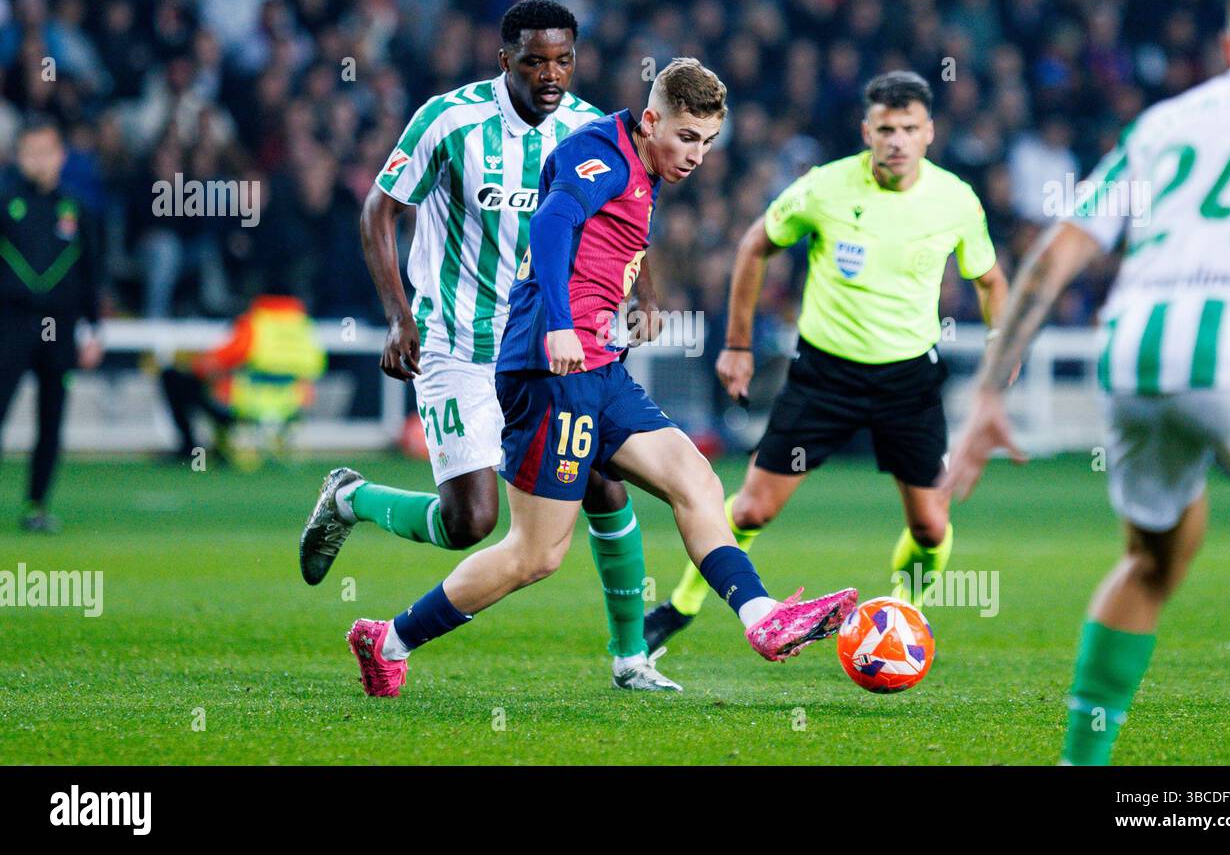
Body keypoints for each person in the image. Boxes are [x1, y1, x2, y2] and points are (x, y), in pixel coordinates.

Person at [342, 58, 858, 697]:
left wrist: (638, 299)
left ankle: (762, 618)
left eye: (708, 141)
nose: (697, 155)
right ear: (651, 121)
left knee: (694, 478)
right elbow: (553, 223)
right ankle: (386, 639)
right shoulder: (603, 157)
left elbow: (615, 242)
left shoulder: (640, 161)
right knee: (536, 555)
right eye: (687, 137)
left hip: (598, 364)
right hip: (551, 367)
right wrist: (559, 322)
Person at [944, 0, 1230, 765]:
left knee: (1152, 558)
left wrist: (988, 394)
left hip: (1135, 349)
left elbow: (1053, 256)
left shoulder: (1166, 120)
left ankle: (1082, 762)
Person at [298, 0, 676, 691]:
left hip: (546, 345)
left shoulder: (592, 129)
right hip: (457, 342)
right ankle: (351, 499)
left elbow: (624, 217)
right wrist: (397, 315)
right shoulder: (451, 120)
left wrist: (643, 294)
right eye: (535, 60)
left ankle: (631, 659)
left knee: (601, 479)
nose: (551, 74)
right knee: (470, 520)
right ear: (506, 60)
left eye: (563, 59)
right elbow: (380, 207)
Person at [644, 71, 1010, 648]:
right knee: (755, 508)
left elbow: (989, 280)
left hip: (908, 380)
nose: (896, 140)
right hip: (823, 375)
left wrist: (1002, 348)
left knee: (931, 524)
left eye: (909, 128)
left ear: (929, 132)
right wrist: (737, 346)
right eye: (886, 128)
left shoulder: (955, 200)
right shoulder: (824, 188)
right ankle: (680, 606)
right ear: (867, 130)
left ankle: (901, 616)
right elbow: (755, 245)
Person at [0, 116, 103, 532]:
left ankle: (36, 505)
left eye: (47, 152)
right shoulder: (5, 205)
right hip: (10, 323)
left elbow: (92, 274)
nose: (40, 161)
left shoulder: (76, 209)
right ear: (18, 156)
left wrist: (94, 330)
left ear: (61, 156)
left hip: (60, 327)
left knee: (51, 417)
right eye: (31, 153)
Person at [160, 294, 324, 465]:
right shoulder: (305, 327)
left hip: (246, 402)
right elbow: (317, 366)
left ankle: (193, 448)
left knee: (174, 378)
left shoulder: (255, 324)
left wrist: (192, 363)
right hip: (291, 404)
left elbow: (216, 361)